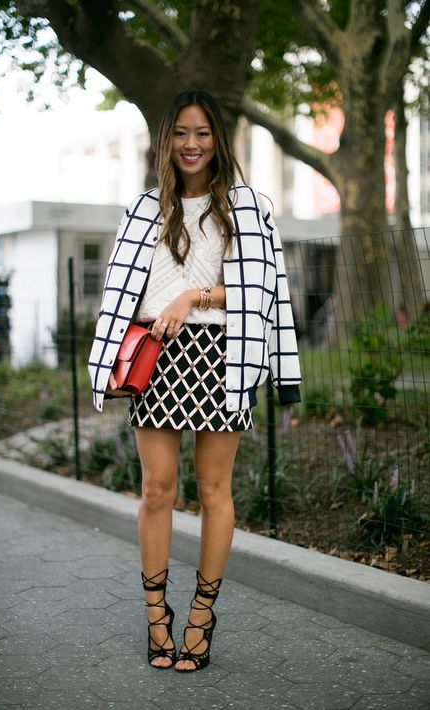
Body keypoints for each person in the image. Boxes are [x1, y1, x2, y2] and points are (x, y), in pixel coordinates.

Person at [88, 90, 302, 672]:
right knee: (158, 489)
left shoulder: (247, 205)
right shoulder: (143, 210)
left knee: (214, 492)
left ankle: (202, 617)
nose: (191, 144)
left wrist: (193, 295)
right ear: (166, 140)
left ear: (218, 140)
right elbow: (119, 293)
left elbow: (263, 291)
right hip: (156, 357)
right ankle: (157, 616)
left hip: (221, 357)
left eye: (202, 133)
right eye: (181, 133)